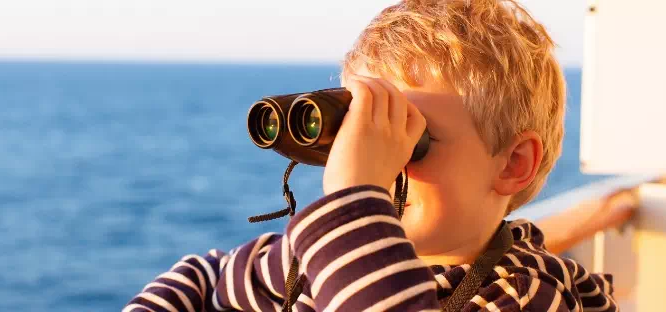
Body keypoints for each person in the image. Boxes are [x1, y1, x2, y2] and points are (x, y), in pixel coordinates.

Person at [123, 0, 619, 310]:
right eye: (364, 132)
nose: (379, 162)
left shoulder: (528, 294)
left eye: (409, 137)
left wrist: (353, 200)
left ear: (512, 164)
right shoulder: (316, 263)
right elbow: (207, 276)